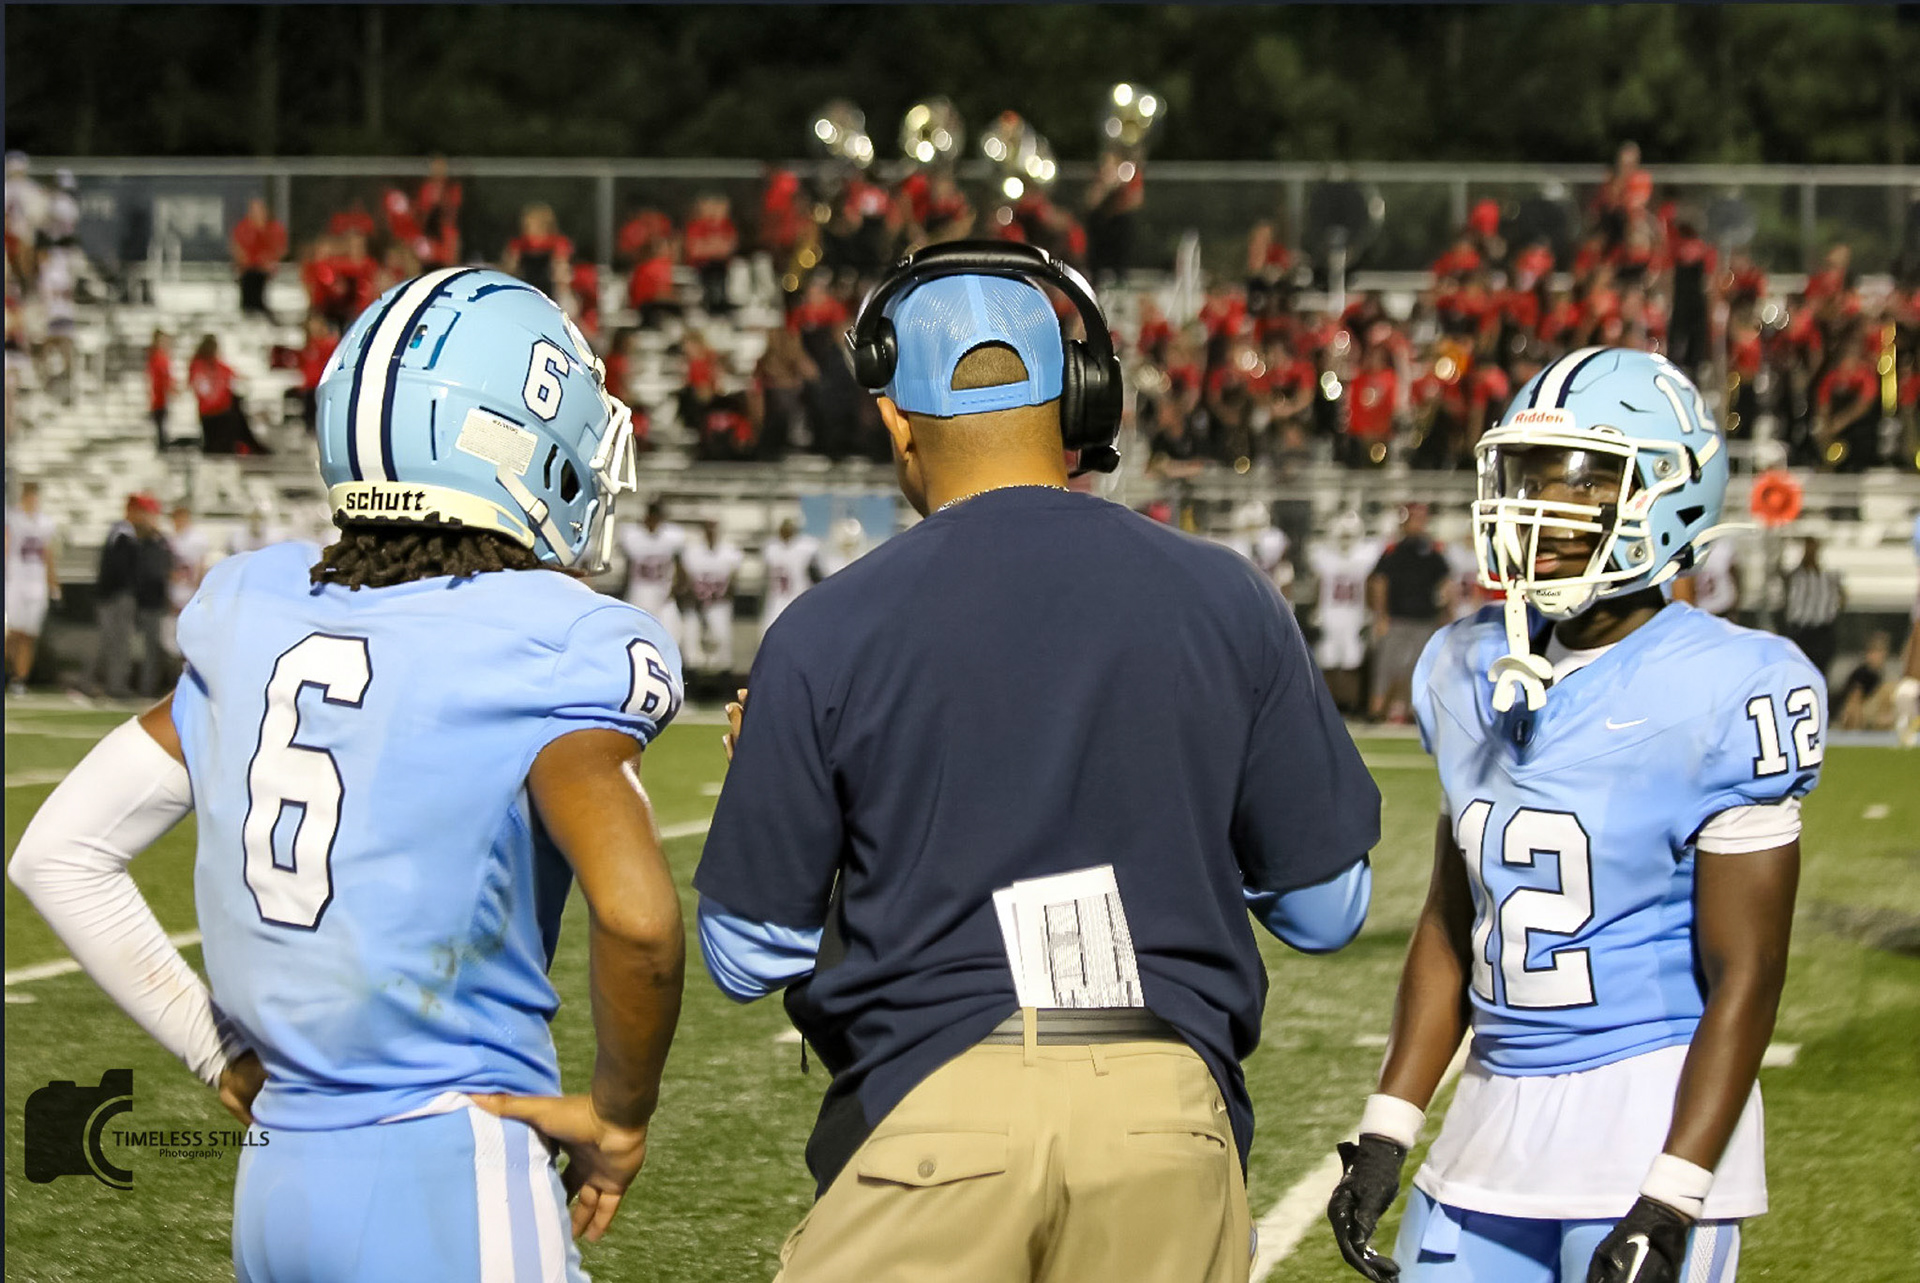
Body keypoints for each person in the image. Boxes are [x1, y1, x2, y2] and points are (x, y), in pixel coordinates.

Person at [695, 243, 1381, 1283]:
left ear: (896, 417)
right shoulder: (1230, 595)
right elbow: (1328, 907)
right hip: (1165, 1117)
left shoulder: (824, 628)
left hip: (929, 1107)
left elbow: (748, 953)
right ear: (1083, 399)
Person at [10, 268, 683, 1280]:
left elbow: (60, 852)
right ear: (514, 446)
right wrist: (620, 1113)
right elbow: (637, 917)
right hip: (449, 1159)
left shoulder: (258, 606)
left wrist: (216, 1048)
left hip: (278, 1175)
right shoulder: (551, 637)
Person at [1327, 349, 1824, 1283]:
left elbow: (1748, 970)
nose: (1539, 509)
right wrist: (1388, 1127)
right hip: (1486, 1119)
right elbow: (1453, 920)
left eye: (1584, 483)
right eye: (1529, 478)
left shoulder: (1733, 683)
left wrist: (1673, 1194)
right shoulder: (1462, 664)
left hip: (1646, 1118)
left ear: (1669, 496)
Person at [1367, 502, 1455, 722]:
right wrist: (1381, 616)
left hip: (1425, 618)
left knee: (1418, 667)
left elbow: (1445, 583)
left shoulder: (1433, 552)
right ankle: (1377, 710)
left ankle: (1409, 712)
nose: (1418, 524)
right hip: (1397, 618)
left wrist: (1446, 613)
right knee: (1387, 666)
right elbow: (1379, 583)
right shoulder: (1393, 551)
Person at [92, 492, 173, 699]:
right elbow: (119, 569)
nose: (145, 516)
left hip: (122, 595)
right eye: (142, 512)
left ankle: (113, 683)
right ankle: (112, 684)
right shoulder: (124, 534)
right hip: (118, 595)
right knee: (117, 642)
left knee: (119, 642)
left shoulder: (132, 535)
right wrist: (127, 589)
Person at [1309, 510, 1380, 714]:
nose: (1346, 540)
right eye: (1343, 535)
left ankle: (1349, 705)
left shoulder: (1366, 555)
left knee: (1352, 662)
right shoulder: (1324, 556)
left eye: (1349, 535)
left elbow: (1370, 585)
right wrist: (1317, 608)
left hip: (1353, 615)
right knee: (1328, 660)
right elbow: (1319, 584)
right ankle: (1328, 704)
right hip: (1331, 614)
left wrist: (1369, 611)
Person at [5, 480, 60, 693]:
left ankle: (19, 679)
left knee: (28, 635)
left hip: (36, 584)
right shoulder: (12, 519)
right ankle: (10, 672)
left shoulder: (45, 522)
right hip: (15, 581)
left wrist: (53, 584)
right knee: (13, 633)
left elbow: (48, 554)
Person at [676, 518, 743, 690]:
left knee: (722, 641)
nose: (710, 533)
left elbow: (733, 582)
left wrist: (717, 598)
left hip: (719, 604)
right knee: (691, 642)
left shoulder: (730, 552)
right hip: (695, 605)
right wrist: (695, 599)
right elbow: (684, 580)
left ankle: (724, 687)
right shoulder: (692, 552)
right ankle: (691, 687)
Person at [618, 500, 687, 650]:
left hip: (663, 594)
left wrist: (677, 589)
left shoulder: (672, 536)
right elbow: (628, 568)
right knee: (638, 635)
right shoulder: (632, 536)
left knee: (671, 636)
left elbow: (680, 566)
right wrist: (625, 590)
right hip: (639, 591)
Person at [1778, 536, 1844, 682]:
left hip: (1821, 632)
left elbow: (1840, 599)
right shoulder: (1796, 577)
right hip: (1800, 631)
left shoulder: (1827, 578)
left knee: (1818, 675)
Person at [163, 502, 211, 658]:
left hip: (191, 593)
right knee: (171, 642)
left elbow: (202, 567)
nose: (179, 521)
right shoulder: (169, 540)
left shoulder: (198, 540)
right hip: (174, 593)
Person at [758, 516, 819, 634]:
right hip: (777, 599)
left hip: (799, 597)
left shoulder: (806, 548)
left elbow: (815, 576)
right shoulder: (771, 548)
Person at [231, 197, 288, 321]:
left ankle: (258, 310)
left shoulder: (273, 227)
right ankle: (250, 311)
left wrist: (270, 260)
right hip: (248, 267)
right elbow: (237, 246)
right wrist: (243, 260)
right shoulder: (244, 227)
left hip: (264, 267)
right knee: (249, 281)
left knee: (257, 281)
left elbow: (280, 247)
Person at [147, 329, 175, 449]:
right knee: (161, 426)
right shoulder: (158, 358)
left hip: (160, 396)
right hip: (159, 397)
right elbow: (162, 378)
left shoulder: (160, 357)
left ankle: (162, 445)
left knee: (162, 426)